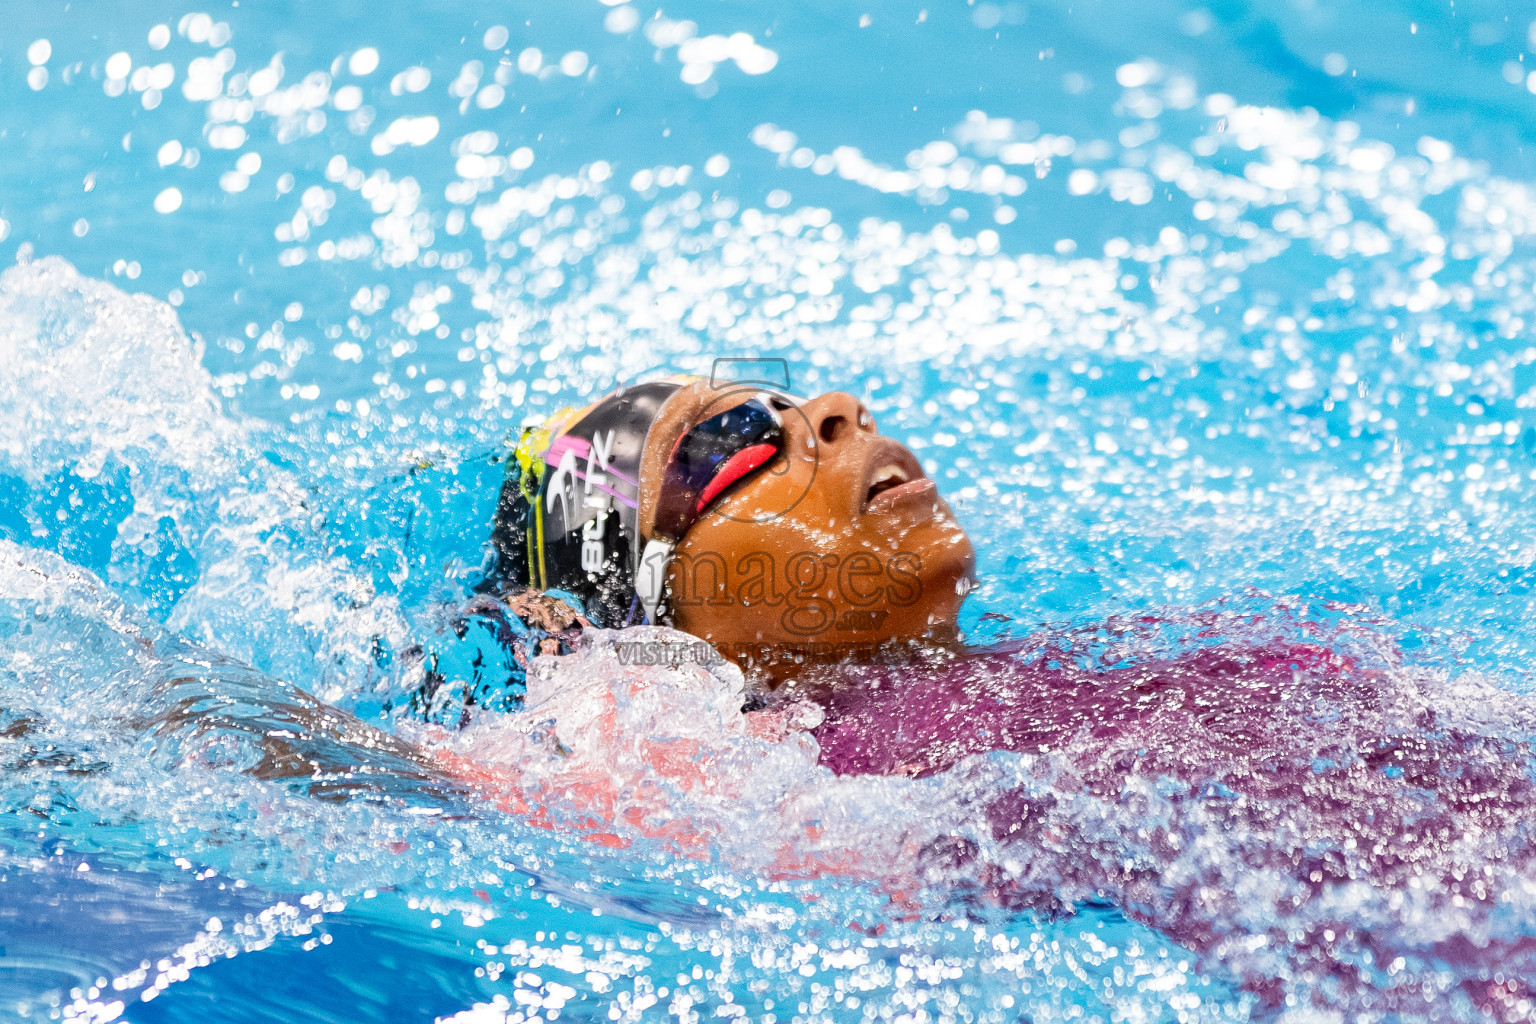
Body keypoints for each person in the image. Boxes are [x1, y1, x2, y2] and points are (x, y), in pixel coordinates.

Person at [406, 375, 976, 724]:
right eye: (732, 434)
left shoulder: (1048, 664)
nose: (840, 407)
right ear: (658, 625)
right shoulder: (721, 797)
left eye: (787, 403)